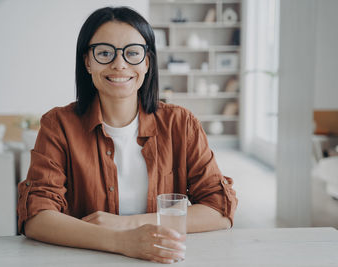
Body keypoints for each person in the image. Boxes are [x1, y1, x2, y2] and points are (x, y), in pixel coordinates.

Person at [17, 6, 237, 264]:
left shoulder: (181, 123)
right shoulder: (58, 125)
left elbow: (219, 210)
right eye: (104, 53)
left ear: (147, 62)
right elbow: (36, 217)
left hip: (164, 258)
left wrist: (128, 224)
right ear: (87, 61)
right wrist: (121, 242)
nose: (119, 64)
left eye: (132, 53)